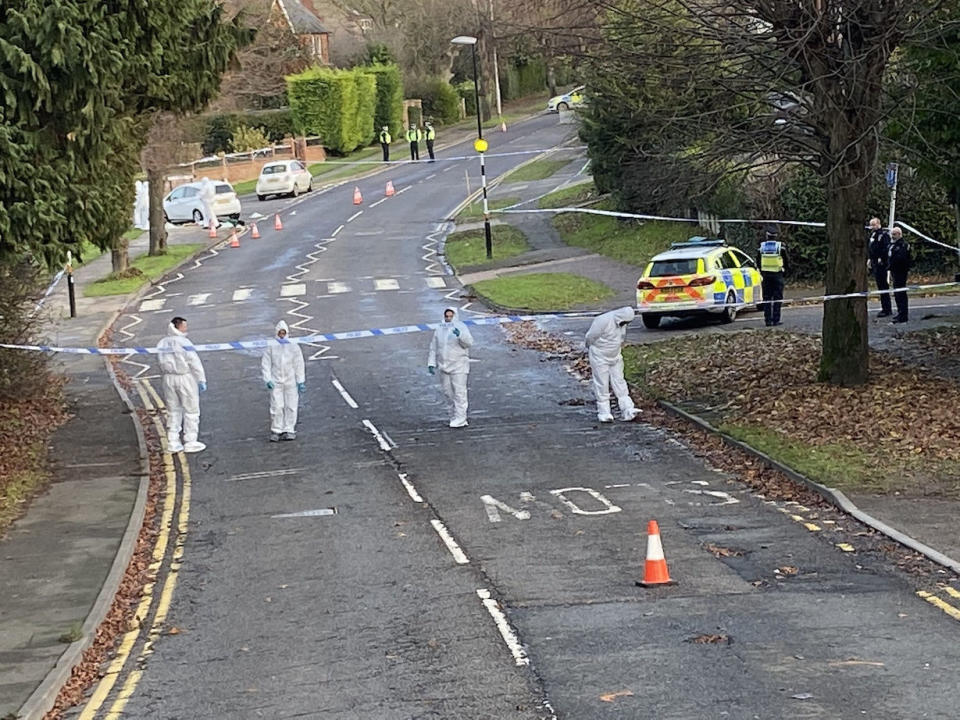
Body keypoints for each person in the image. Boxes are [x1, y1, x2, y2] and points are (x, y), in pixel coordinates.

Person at [157, 317, 207, 453]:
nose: (186, 328)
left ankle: (173, 441)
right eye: (184, 326)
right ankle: (190, 441)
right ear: (178, 327)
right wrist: (201, 379)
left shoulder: (162, 343)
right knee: (191, 410)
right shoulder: (184, 342)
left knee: (173, 410)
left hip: (168, 379)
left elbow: (159, 361)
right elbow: (194, 362)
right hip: (185, 378)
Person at [585, 307, 639, 423]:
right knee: (602, 383)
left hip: (615, 356)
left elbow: (620, 338)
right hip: (599, 356)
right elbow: (590, 337)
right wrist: (594, 348)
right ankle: (604, 412)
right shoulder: (602, 320)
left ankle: (628, 409)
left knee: (619, 381)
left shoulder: (621, 323)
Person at [427, 308, 474, 428]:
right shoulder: (439, 329)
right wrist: (431, 363)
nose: (448, 319)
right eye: (446, 316)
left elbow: (468, 343)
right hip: (444, 366)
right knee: (448, 393)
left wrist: (461, 336)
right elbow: (434, 346)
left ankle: (461, 418)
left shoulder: (462, 327)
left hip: (459, 365)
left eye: (450, 316)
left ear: (455, 316)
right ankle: (454, 415)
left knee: (459, 393)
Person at [261, 320, 305, 441]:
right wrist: (267, 379)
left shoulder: (293, 346)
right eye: (280, 333)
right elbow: (266, 364)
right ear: (276, 333)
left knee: (291, 405)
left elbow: (299, 364)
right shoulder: (271, 346)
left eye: (283, 333)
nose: (281, 335)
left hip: (291, 380)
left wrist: (300, 380)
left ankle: (289, 429)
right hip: (276, 381)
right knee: (276, 406)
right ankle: (276, 430)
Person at [758, 228, 788, 326]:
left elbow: (758, 261)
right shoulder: (780, 247)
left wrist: (762, 271)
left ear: (767, 236)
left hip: (766, 276)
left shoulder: (761, 247)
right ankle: (776, 320)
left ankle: (767, 320)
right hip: (777, 275)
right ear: (776, 236)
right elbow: (786, 261)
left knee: (766, 298)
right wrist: (785, 272)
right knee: (777, 298)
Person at [867, 217, 892, 318]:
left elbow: (886, 248)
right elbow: (872, 248)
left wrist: (881, 258)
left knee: (883, 285)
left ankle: (887, 309)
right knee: (880, 285)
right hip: (874, 262)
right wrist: (870, 258)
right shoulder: (873, 234)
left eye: (873, 224)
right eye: (871, 225)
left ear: (878, 224)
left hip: (881, 263)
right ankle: (884, 307)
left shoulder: (883, 235)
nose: (871, 227)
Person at [889, 226, 911, 324]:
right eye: (892, 234)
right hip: (894, 271)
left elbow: (901, 258)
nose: (892, 236)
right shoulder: (893, 244)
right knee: (897, 294)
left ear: (899, 234)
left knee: (901, 293)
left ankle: (903, 315)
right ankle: (899, 313)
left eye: (894, 234)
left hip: (900, 272)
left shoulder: (903, 245)